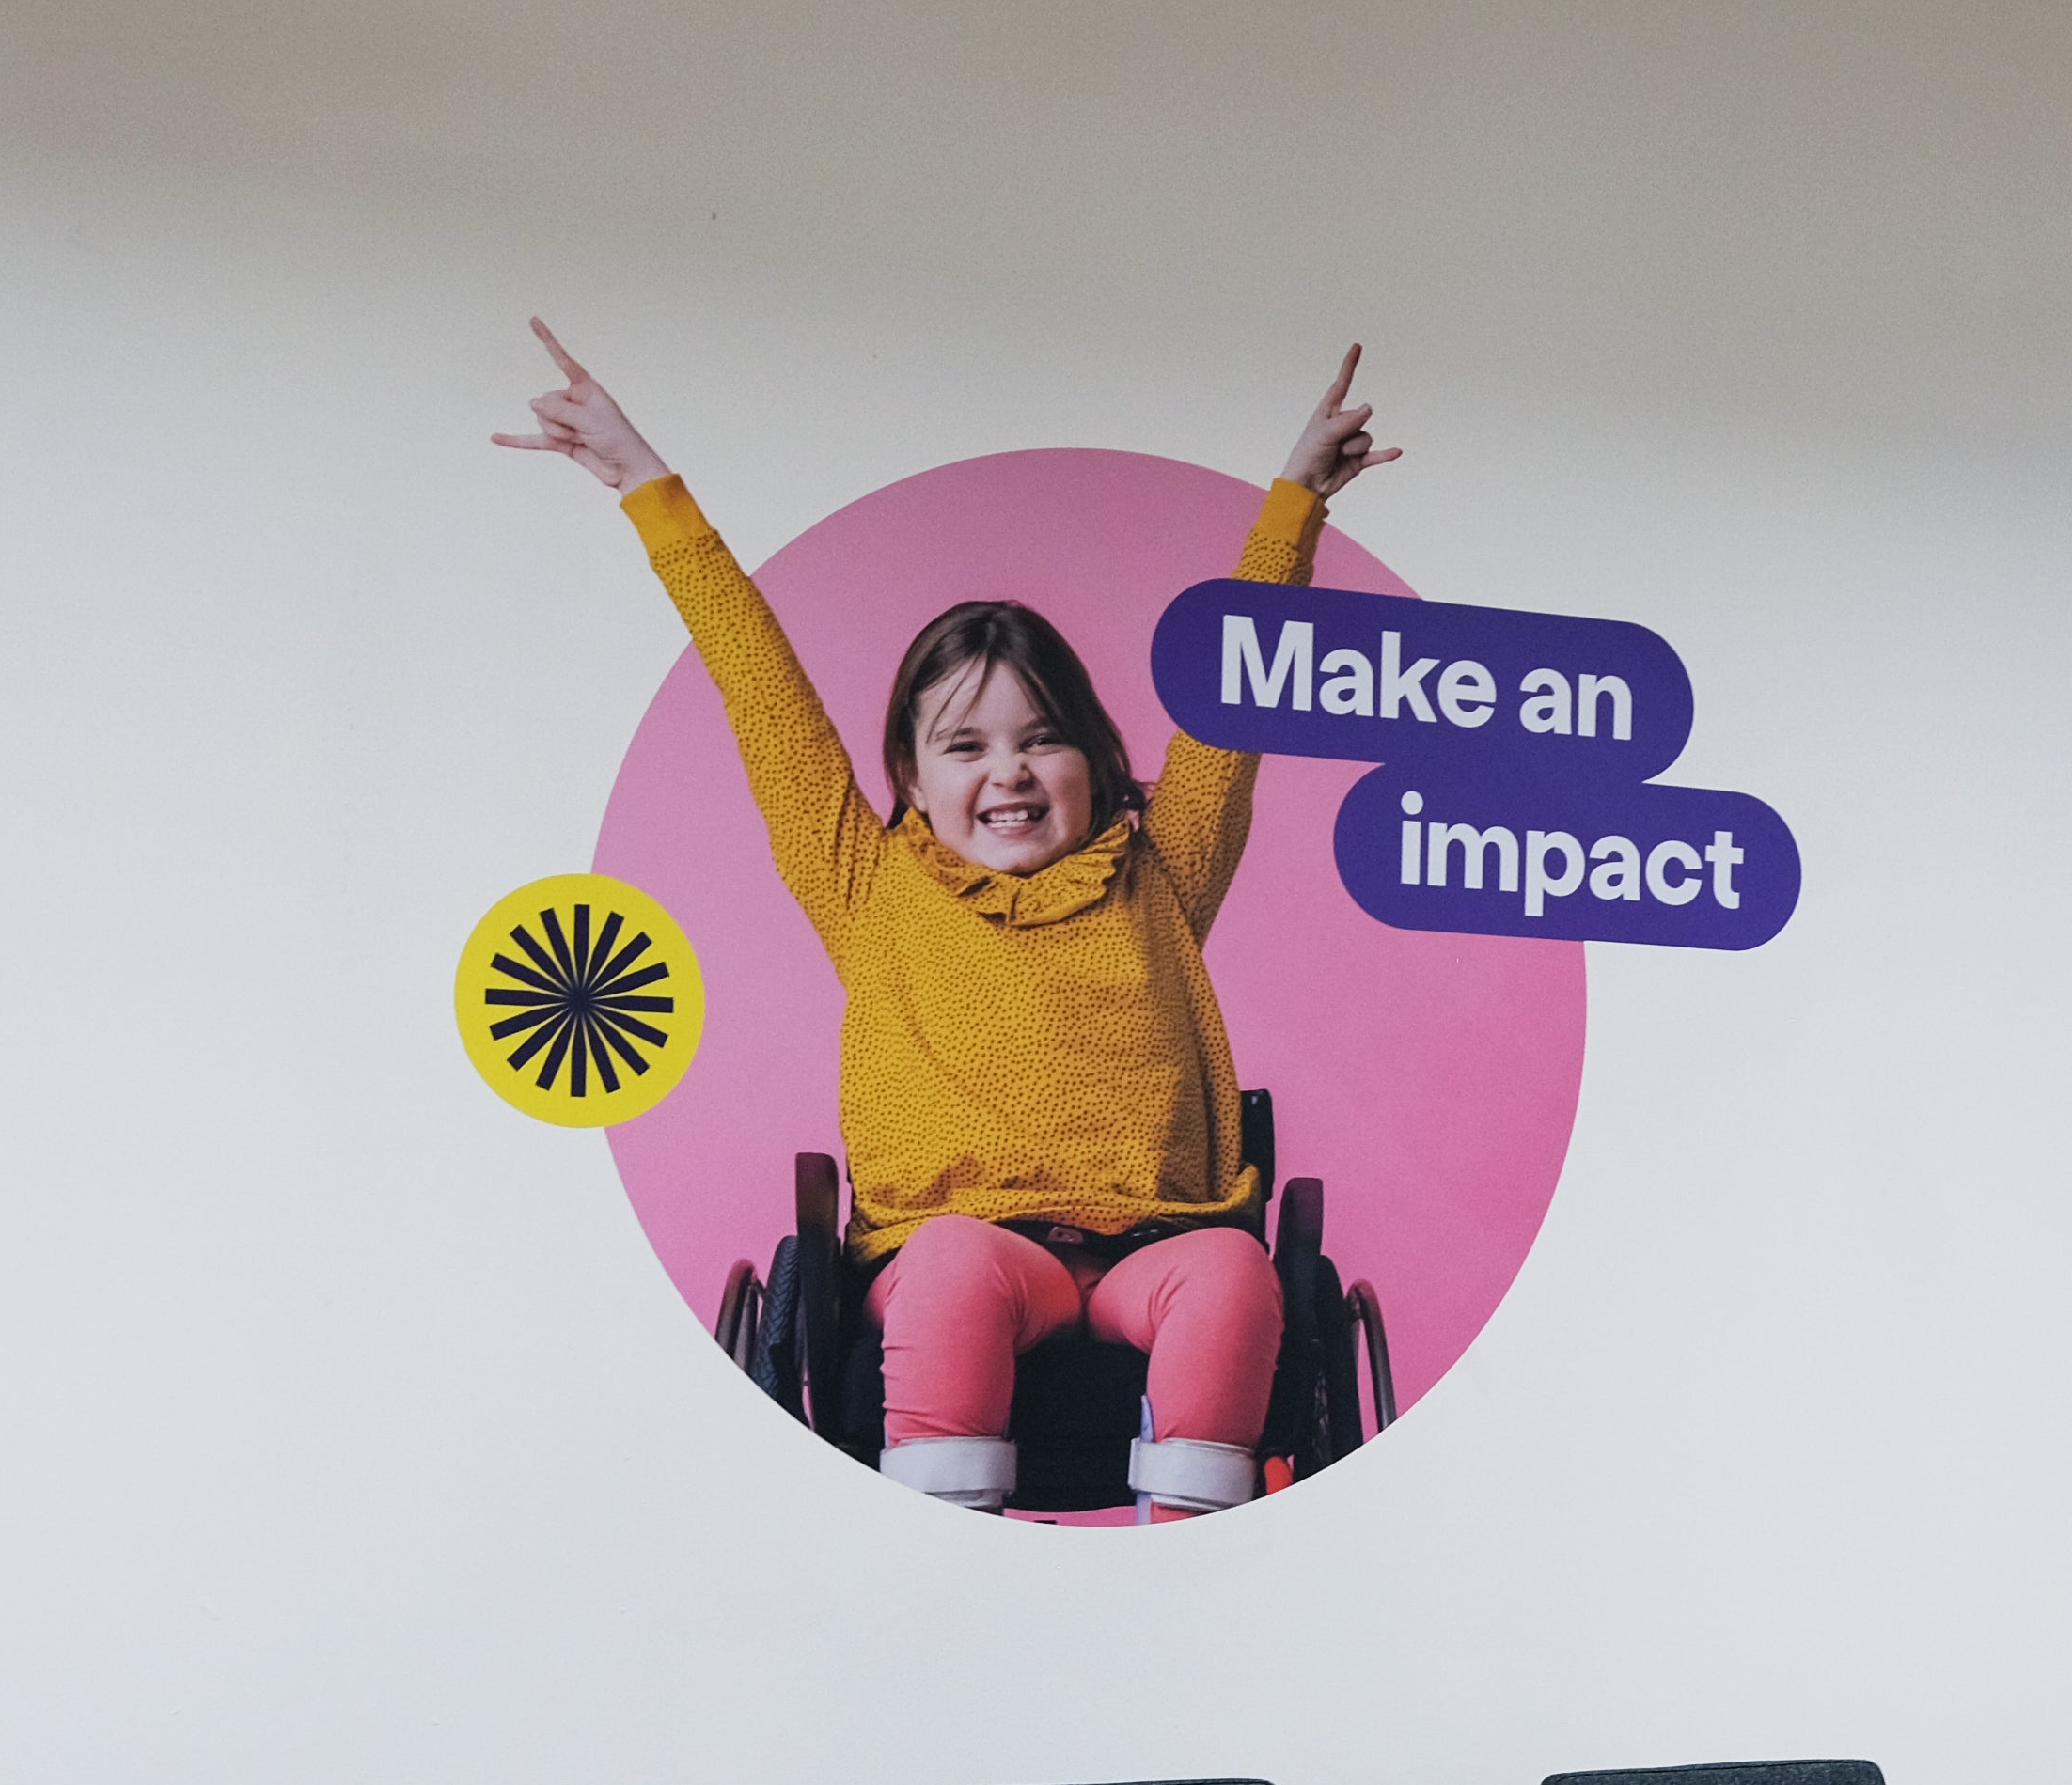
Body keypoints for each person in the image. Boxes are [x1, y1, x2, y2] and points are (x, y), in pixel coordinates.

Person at [496, 324, 1399, 1515]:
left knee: (1235, 1274)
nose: (1009, 772)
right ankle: (938, 1554)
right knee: (955, 1267)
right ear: (913, 782)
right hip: (963, 1250)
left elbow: (1234, 715)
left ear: (1095, 756)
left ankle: (1194, 1554)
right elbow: (759, 685)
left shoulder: (1160, 874)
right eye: (966, 746)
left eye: (1042, 738)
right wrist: (647, 488)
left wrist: (1294, 508)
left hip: (1159, 1248)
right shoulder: (872, 884)